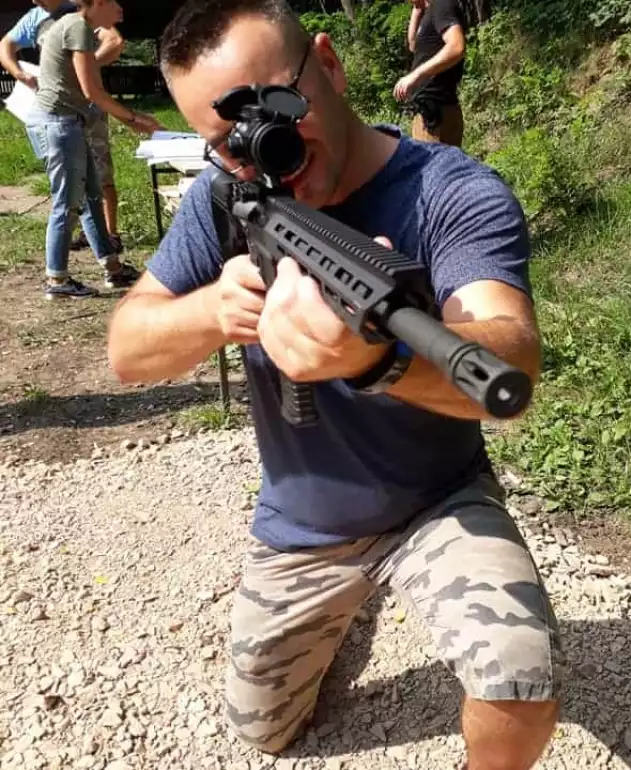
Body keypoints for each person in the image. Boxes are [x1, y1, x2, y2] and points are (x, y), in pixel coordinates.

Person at [107, 1, 563, 768]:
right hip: (304, 524)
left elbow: (509, 354)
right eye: (228, 140)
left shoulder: (449, 190)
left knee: (518, 674)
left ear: (329, 62)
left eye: (277, 108)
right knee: (263, 733)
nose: (266, 149)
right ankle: (341, 614)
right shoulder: (227, 196)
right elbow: (126, 349)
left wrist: (375, 358)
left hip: (436, 500)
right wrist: (217, 309)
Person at [24, 0, 160, 299]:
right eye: (114, 2)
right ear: (97, 2)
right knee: (67, 202)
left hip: (68, 122)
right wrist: (136, 119)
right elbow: (92, 91)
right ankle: (57, 281)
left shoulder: (78, 26)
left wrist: (130, 120)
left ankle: (113, 268)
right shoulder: (77, 27)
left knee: (91, 196)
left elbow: (90, 88)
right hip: (57, 125)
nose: (121, 8)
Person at [0, 0, 126, 252]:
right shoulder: (34, 17)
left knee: (100, 174)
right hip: (56, 114)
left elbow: (115, 42)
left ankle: (111, 236)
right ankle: (84, 239)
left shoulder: (81, 13)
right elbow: (5, 45)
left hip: (89, 108)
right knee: (71, 179)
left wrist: (84, 66)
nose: (36, 0)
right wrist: (18, 73)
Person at [393, 0, 467, 147]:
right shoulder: (430, 11)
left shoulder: (442, 5)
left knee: (434, 169)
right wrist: (416, 9)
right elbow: (414, 45)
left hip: (435, 114)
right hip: (429, 112)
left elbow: (457, 47)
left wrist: (415, 76)